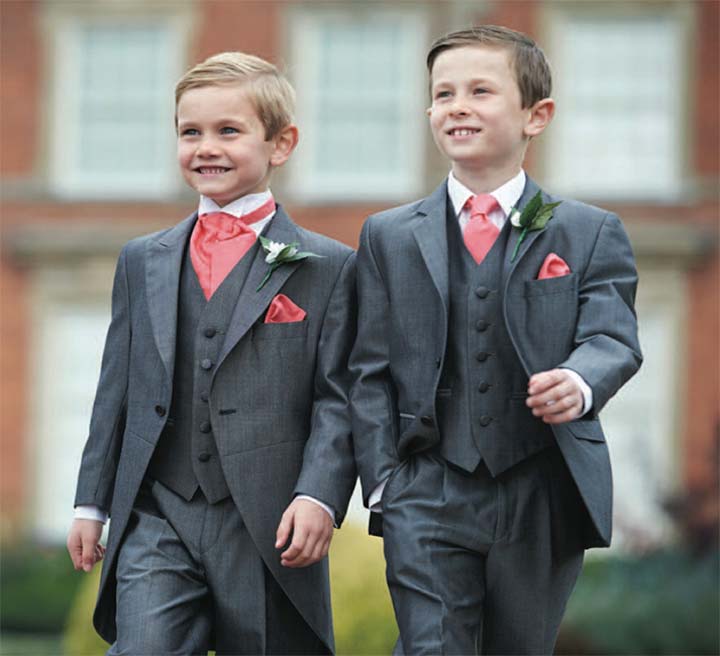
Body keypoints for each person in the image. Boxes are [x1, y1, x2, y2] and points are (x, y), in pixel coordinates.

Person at [350, 25, 642, 655]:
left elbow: (612, 337)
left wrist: (580, 380)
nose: (458, 105)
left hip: (540, 485)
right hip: (425, 487)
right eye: (443, 93)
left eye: (481, 90)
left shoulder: (587, 232)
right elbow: (367, 369)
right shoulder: (387, 236)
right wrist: (384, 485)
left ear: (536, 115)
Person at [66, 51, 356, 655]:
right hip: (158, 511)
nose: (206, 147)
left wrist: (320, 495)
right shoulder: (142, 259)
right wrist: (91, 500)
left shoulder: (330, 266)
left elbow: (340, 397)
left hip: (268, 519)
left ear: (281, 144)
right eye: (190, 132)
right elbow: (115, 388)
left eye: (229, 131)